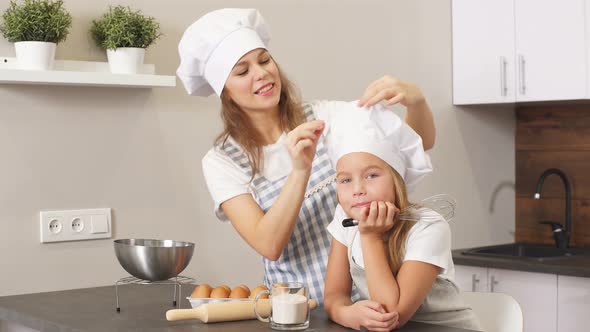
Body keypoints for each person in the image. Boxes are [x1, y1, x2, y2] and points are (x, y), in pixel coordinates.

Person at [176, 8, 436, 304]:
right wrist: (300, 171)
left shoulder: (326, 116)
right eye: (242, 71)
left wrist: (416, 102)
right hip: (300, 310)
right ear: (226, 92)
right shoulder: (223, 161)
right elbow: (269, 244)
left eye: (264, 60)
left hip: (377, 296)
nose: (261, 73)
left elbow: (413, 147)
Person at [323, 103, 482, 331]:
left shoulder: (428, 227)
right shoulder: (344, 220)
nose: (357, 189)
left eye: (371, 175)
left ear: (397, 180)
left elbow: (392, 314)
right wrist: (348, 314)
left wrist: (370, 237)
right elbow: (334, 296)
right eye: (345, 180)